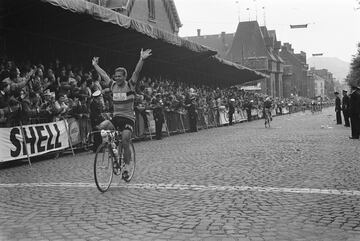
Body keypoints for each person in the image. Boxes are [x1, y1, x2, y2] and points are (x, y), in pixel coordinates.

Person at [91, 48, 152, 174]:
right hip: (116, 117)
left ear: (125, 76)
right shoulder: (112, 85)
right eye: (116, 76)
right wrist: (95, 65)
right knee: (102, 127)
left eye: (120, 76)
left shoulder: (130, 85)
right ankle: (112, 148)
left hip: (128, 118)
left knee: (125, 139)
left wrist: (141, 59)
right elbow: (103, 75)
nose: (117, 78)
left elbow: (136, 71)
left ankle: (127, 166)